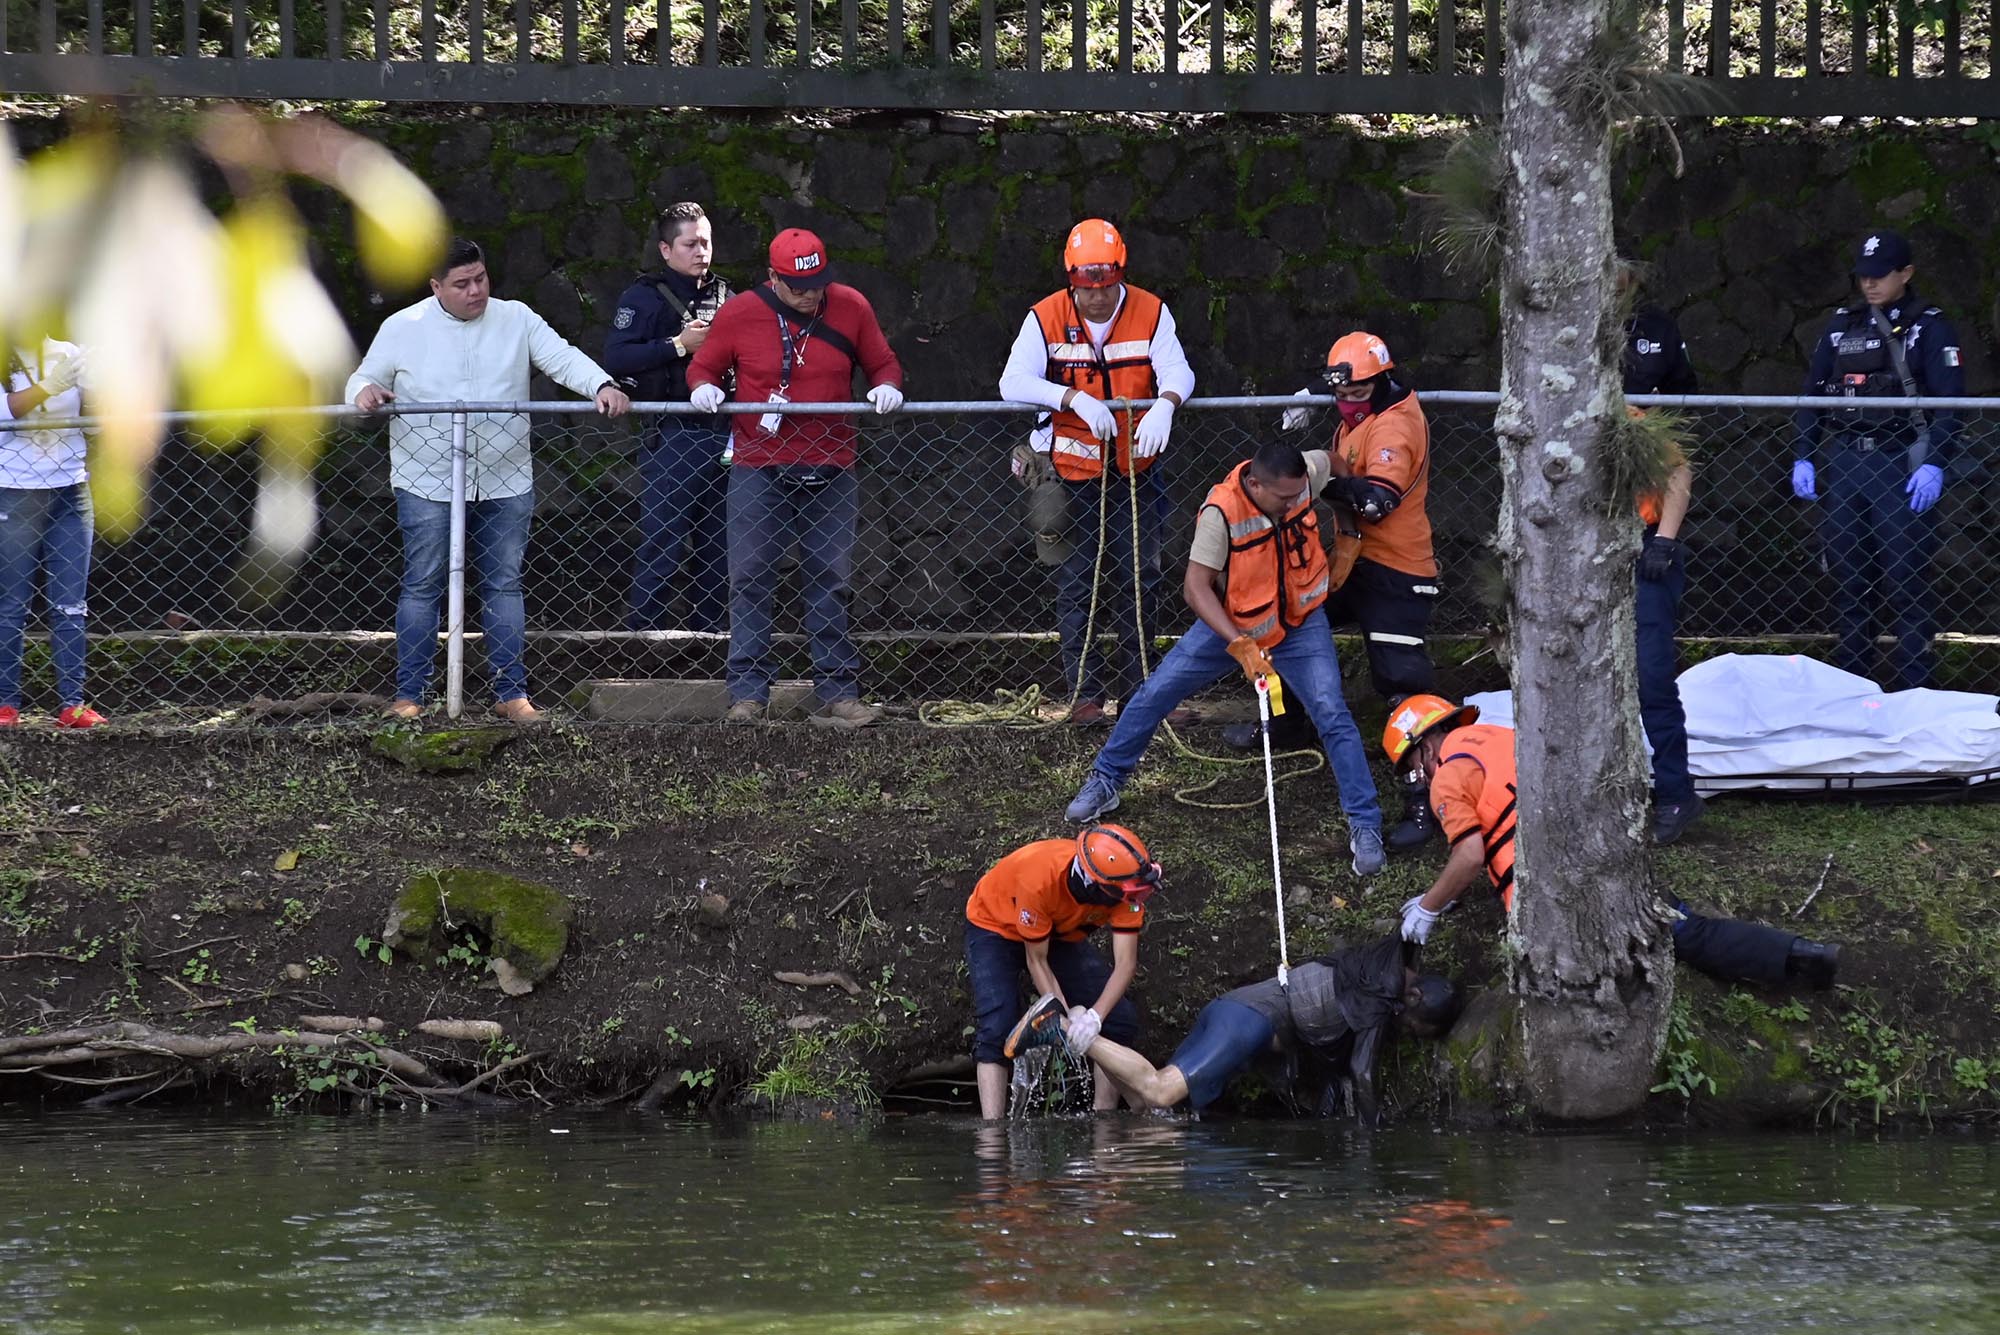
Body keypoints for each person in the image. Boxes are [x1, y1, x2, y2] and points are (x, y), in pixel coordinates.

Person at [1064, 438, 1388, 876]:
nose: (1295, 501)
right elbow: (1196, 589)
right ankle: (1107, 780)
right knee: (1155, 693)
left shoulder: (1301, 475)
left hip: (1300, 623)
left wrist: (1348, 532)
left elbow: (1333, 464)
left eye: (1299, 495)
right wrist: (1239, 644)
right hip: (1234, 627)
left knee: (1332, 711)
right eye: (1285, 497)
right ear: (1255, 484)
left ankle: (1365, 824)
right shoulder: (1221, 513)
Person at [347, 237, 630, 723]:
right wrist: (366, 392)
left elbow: (561, 357)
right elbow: (361, 378)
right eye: (462, 284)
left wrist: (602, 384)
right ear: (436, 286)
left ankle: (510, 693)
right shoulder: (402, 326)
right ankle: (409, 695)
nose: (475, 290)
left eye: (480, 278)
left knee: (503, 584)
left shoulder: (515, 316)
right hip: (425, 478)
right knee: (422, 584)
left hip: (505, 476)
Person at [1381, 695, 1842, 987]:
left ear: (1424, 745)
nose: (1419, 778)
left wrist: (1428, 907)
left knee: (1573, 978)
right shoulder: (1501, 735)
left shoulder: (1448, 779)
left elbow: (1470, 853)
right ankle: (1800, 955)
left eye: (1414, 768)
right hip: (1604, 854)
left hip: (1553, 897)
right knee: (1683, 928)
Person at [1229, 331, 1439, 854]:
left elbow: (1375, 502)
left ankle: (1427, 797)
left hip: (1396, 571)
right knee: (1283, 618)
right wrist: (1310, 398)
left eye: (1356, 395)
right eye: (1338, 395)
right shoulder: (1361, 409)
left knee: (1401, 682)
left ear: (1382, 383)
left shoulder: (1393, 426)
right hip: (1352, 561)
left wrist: (1310, 477)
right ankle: (1287, 721)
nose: (1345, 403)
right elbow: (1342, 388)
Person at [687, 228, 903, 729]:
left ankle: (837, 692)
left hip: (832, 462)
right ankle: (748, 695)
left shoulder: (850, 306)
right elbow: (704, 367)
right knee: (750, 577)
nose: (809, 293)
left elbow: (883, 363)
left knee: (830, 578)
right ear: (772, 279)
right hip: (758, 462)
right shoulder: (740, 312)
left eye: (816, 282)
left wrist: (887, 388)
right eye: (796, 285)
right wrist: (703, 389)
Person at [997, 218, 1195, 727]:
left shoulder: (1151, 310)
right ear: (1072, 281)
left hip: (1137, 471)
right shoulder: (1044, 317)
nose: (1098, 299)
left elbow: (1178, 369)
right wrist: (1072, 397)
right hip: (1072, 472)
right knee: (1076, 581)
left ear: (1119, 276)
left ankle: (1140, 695)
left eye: (1106, 288)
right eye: (1088, 290)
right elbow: (1011, 382)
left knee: (1141, 578)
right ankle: (1085, 695)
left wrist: (1165, 406)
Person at [1009, 935, 1463, 1124]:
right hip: (1251, 1020)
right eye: (1417, 1027)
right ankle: (1065, 1029)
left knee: (1158, 1114)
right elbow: (1363, 1072)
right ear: (1415, 999)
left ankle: (1109, 1178)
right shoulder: (1384, 994)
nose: (1409, 1032)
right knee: (1164, 1092)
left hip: (1238, 1015)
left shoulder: (1378, 970)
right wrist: (1373, 1134)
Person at [1793, 229, 1964, 691]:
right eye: (1863, 276)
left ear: (1905, 273)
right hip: (1847, 462)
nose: (1869, 285)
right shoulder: (1842, 324)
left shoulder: (1929, 326)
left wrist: (1936, 463)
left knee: (1906, 579)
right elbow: (1813, 393)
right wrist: (1804, 454)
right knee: (1850, 580)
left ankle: (1916, 688)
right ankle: (1854, 687)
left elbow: (1952, 403)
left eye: (1880, 276)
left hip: (1900, 463)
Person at [602, 202, 734, 633]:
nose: (701, 251)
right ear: (665, 248)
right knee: (664, 537)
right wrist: (678, 346)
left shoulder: (726, 297)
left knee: (719, 543)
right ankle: (642, 635)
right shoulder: (643, 297)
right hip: (674, 434)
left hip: (726, 432)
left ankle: (709, 633)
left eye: (706, 242)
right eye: (690, 243)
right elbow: (618, 356)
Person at [966, 824, 1158, 1119]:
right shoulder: (1039, 879)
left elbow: (1125, 964)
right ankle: (993, 1135)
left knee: (1119, 1021)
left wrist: (1094, 1019)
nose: (1133, 900)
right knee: (997, 1025)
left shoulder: (1127, 891)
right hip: (995, 925)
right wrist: (1067, 1021)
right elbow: (1037, 961)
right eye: (1126, 894)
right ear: (1096, 886)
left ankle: (1104, 1121)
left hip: (1057, 933)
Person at [1622, 300, 1704, 845]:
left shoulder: (1643, 419)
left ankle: (1675, 793)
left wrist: (1665, 544)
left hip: (1644, 547)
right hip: (1581, 552)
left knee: (1652, 676)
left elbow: (1679, 471)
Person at [0, 339, 102, 729]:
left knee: (71, 606)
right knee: (12, 604)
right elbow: (5, 415)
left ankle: (72, 705)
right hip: (15, 490)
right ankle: (6, 705)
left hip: (70, 491)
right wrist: (49, 386)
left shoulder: (70, 351)